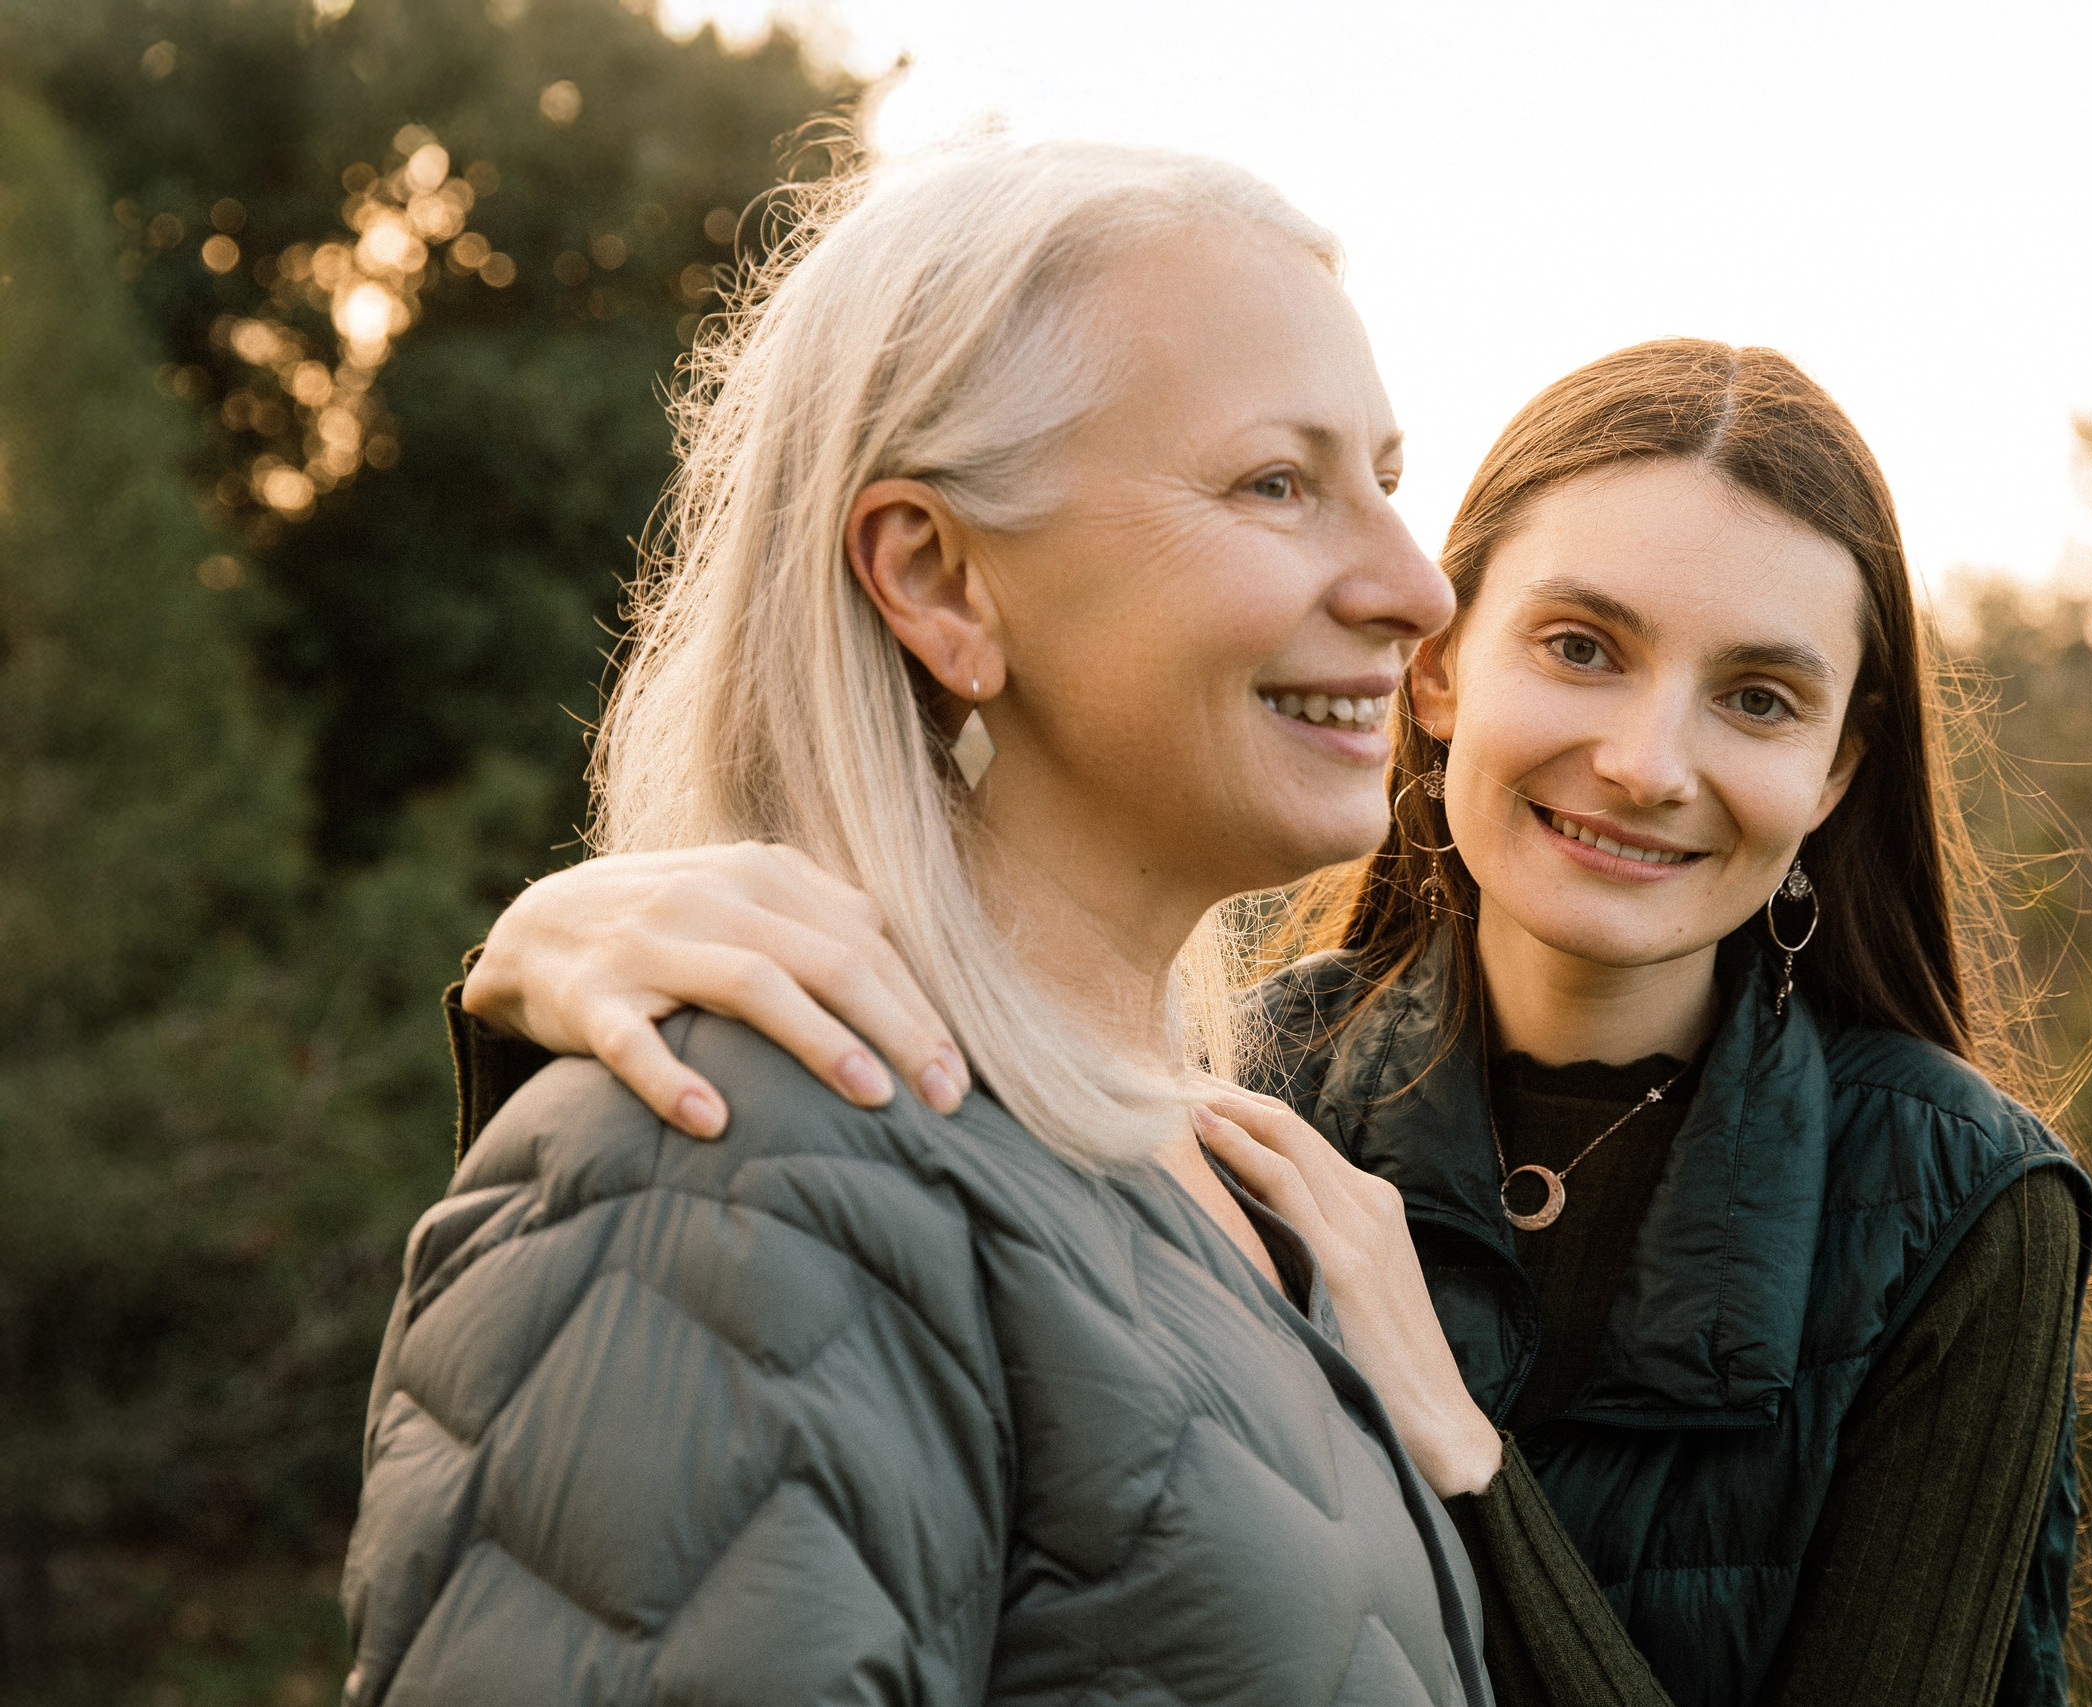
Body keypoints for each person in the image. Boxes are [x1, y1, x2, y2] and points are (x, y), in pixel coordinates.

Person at [450, 339, 2092, 1707]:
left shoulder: (1963, 1209)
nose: (1651, 761)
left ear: (1838, 767)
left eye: (1756, 696)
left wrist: (1455, 1450)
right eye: (1582, 648)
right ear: (1438, 668)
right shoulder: (1204, 1071)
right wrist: (553, 1007)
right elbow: (722, 1417)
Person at [340, 139, 1517, 1707]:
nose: (1415, 587)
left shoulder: (1229, 1178)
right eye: (1275, 484)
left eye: (1383, 475)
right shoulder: (734, 1161)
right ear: (940, 579)